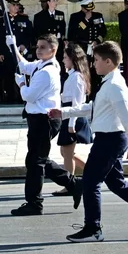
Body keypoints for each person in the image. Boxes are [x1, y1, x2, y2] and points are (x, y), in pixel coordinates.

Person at [50, 41, 128, 241]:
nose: (93, 63)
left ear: (108, 61)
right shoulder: (108, 82)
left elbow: (127, 116)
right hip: (108, 138)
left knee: (89, 182)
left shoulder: (115, 85)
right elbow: (93, 108)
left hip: (111, 139)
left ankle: (93, 228)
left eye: (97, 60)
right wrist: (62, 112)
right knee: (115, 183)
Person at [6, 32, 80, 216]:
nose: (38, 50)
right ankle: (74, 184)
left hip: (44, 119)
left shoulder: (47, 72)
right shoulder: (42, 64)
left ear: (53, 50)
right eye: (37, 47)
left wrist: (22, 83)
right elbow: (24, 65)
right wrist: (13, 47)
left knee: (35, 162)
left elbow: (28, 95)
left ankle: (34, 203)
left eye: (42, 47)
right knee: (38, 159)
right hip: (39, 119)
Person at [51, 43, 92, 196]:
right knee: (66, 151)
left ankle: (70, 185)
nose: (63, 60)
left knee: (67, 153)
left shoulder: (76, 77)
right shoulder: (72, 75)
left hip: (72, 117)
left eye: (66, 58)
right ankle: (92, 172)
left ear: (73, 59)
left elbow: (77, 103)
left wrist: (71, 124)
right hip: (68, 115)